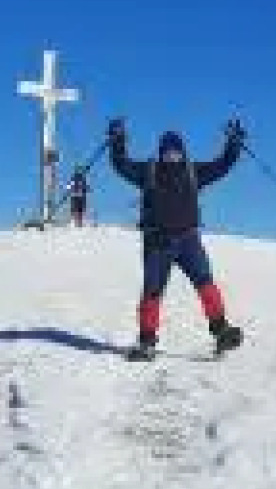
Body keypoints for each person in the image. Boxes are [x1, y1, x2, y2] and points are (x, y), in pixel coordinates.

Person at [106, 116, 247, 359]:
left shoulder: (195, 172)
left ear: (182, 152)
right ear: (161, 153)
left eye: (176, 152)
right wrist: (117, 140)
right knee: (152, 291)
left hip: (189, 241)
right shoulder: (147, 171)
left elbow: (222, 165)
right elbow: (120, 164)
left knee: (206, 283)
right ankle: (146, 342)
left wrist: (233, 143)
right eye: (168, 152)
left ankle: (221, 330)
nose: (172, 156)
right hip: (157, 243)